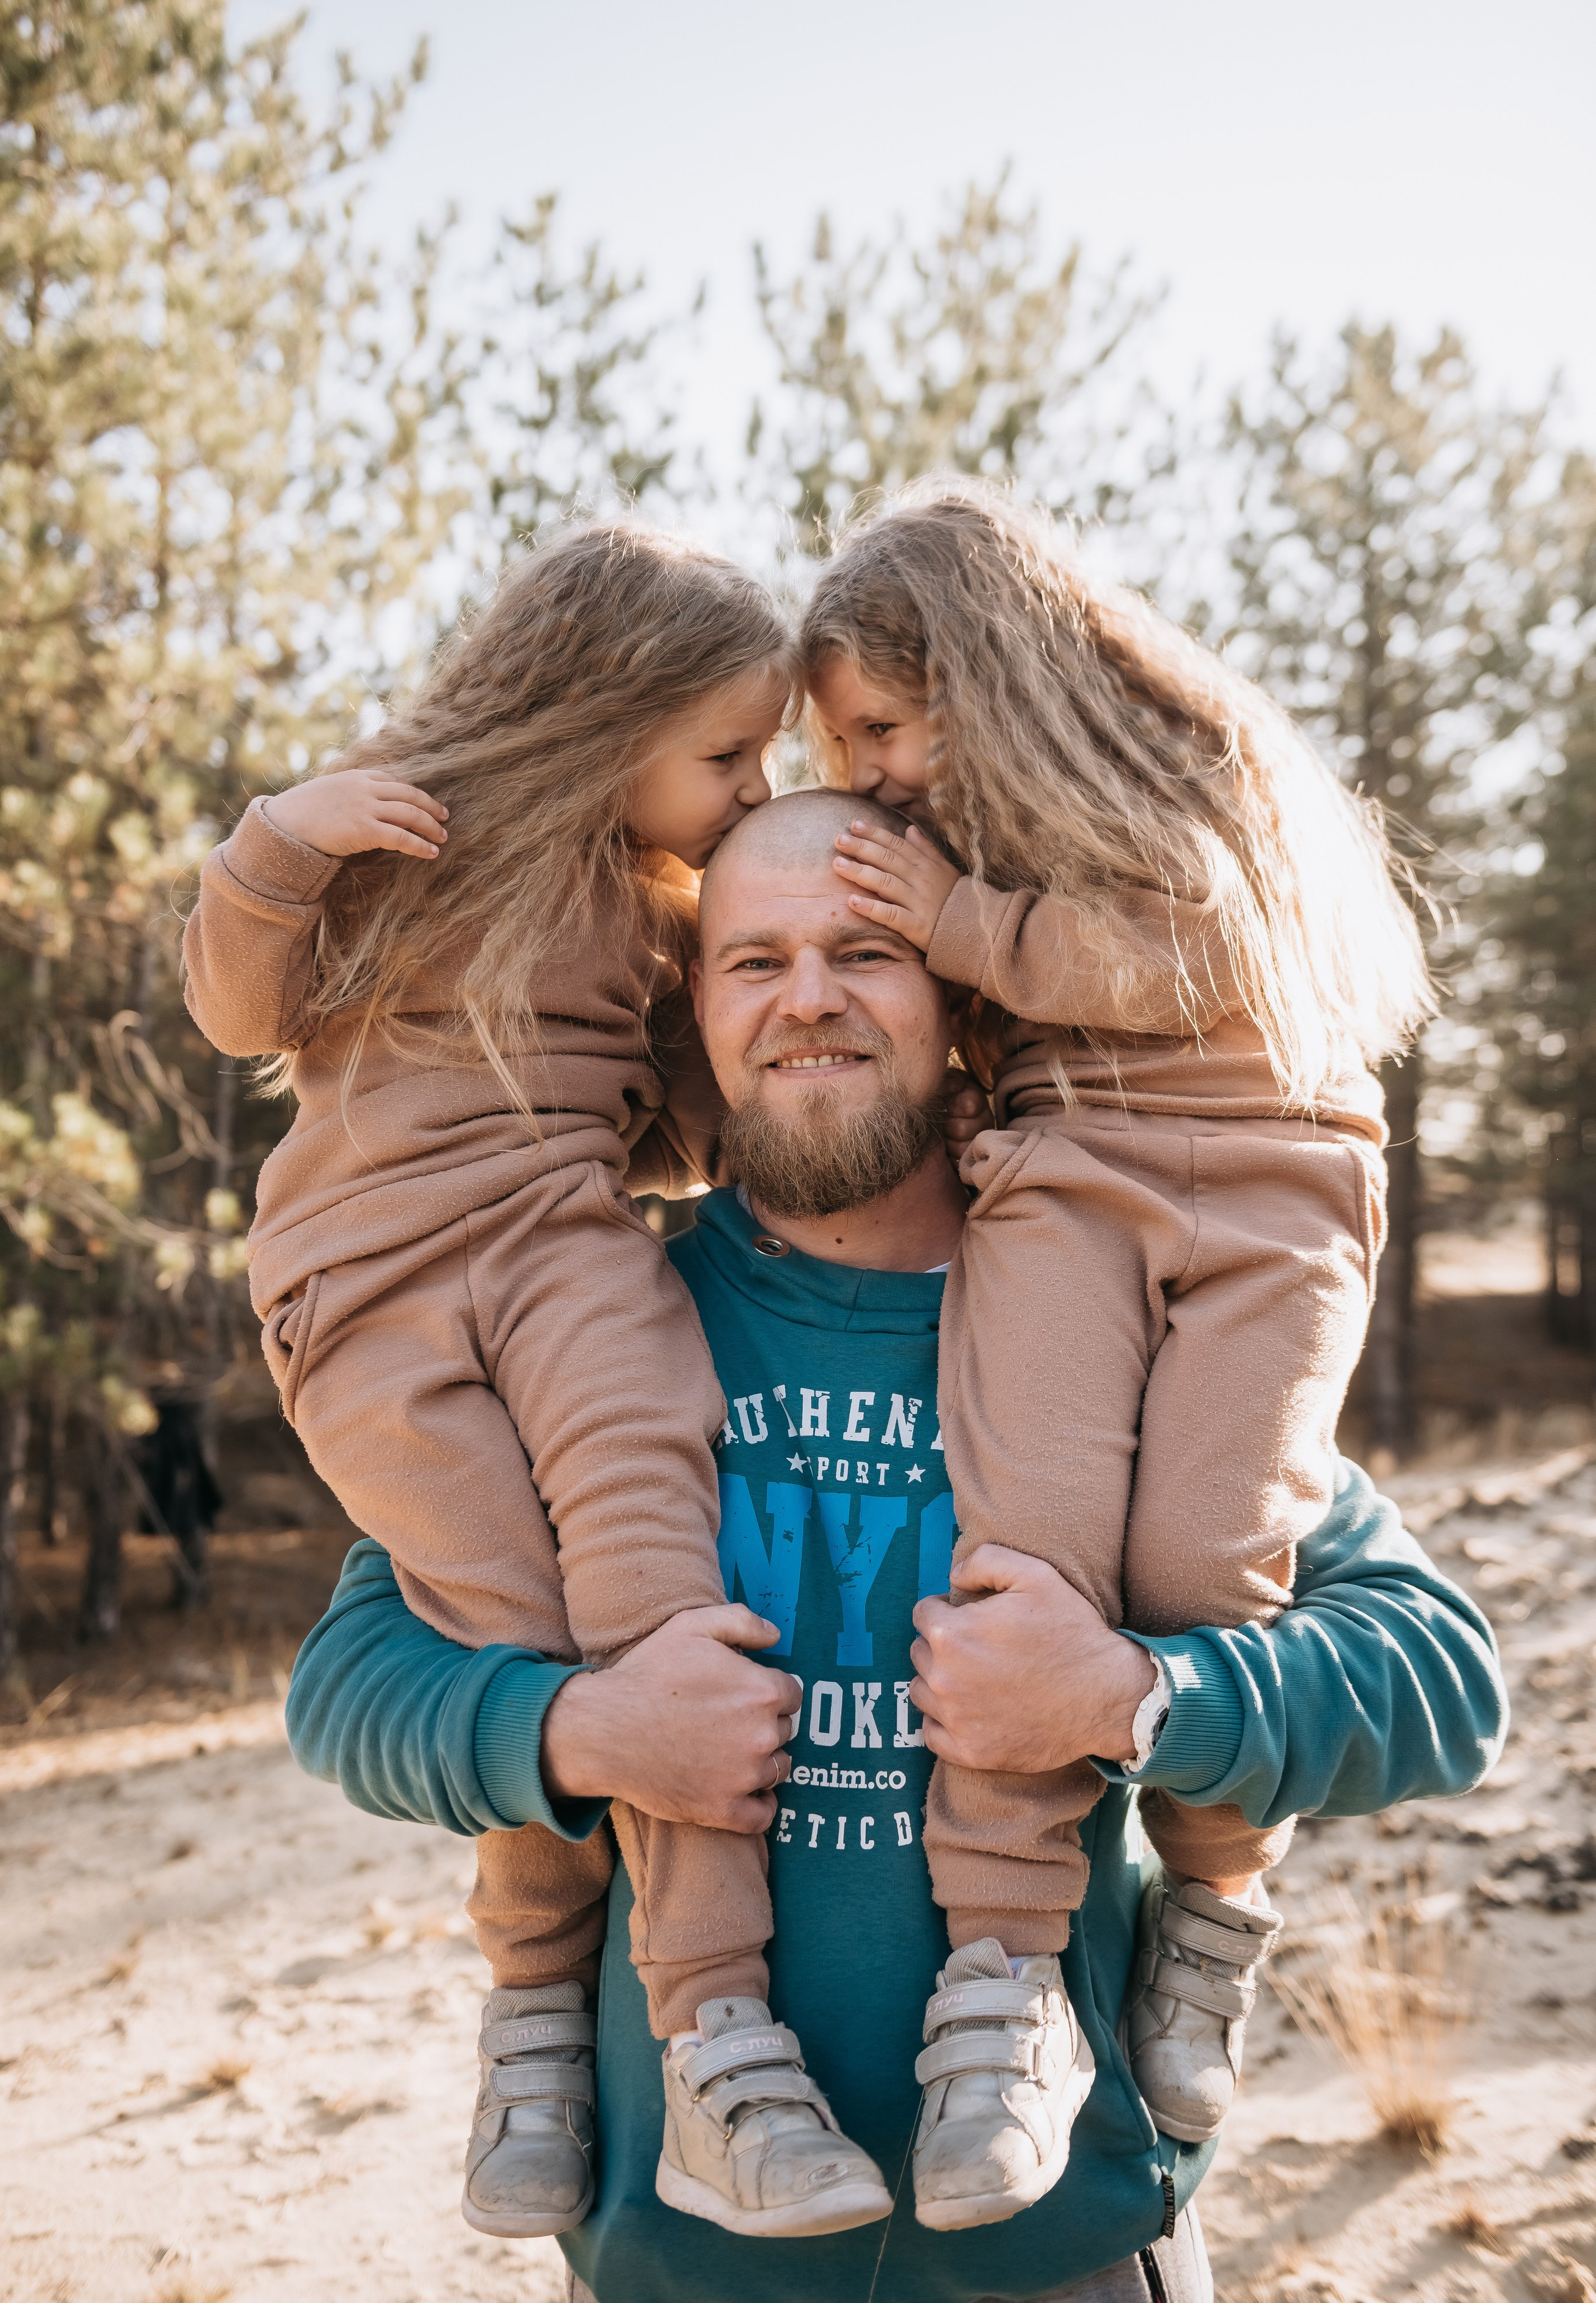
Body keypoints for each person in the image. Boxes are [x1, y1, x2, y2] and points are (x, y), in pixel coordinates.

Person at [287, 788, 1507, 2301]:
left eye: (865, 950)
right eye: (755, 960)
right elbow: (346, 1685)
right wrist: (577, 1731)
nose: (808, 998)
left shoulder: (1114, 1309)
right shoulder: (588, 1323)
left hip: (1064, 2244)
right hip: (683, 2257)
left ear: (960, 995)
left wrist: (1132, 1698)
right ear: (694, 1009)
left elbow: (1437, 1681)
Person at [182, 529, 909, 2244]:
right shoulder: (405, 835)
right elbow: (234, 1010)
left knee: (656, 1606)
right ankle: (532, 2009)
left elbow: (701, 1112)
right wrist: (279, 844)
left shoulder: (662, 913)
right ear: (607, 718)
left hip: (568, 1260)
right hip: (364, 1292)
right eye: (724, 756)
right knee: (521, 1640)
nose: (749, 791)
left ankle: (716, 2026)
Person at [805, 479, 1435, 2165]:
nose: (867, 767)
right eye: (846, 741)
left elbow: (1190, 957)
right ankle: (1004, 1964)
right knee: (1030, 1552)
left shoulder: (1189, 760)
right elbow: (980, 1016)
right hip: (1070, 1176)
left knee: (1204, 1566)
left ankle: (1214, 1906)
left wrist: (962, 927)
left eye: (881, 725)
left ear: (983, 671)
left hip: (1275, 1188)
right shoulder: (953, 838)